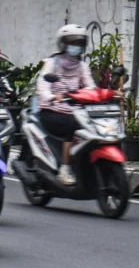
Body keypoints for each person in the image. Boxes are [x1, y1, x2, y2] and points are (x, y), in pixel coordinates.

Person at [35, 24, 116, 186]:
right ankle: (65, 169)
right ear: (63, 44)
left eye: (79, 43)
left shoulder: (82, 66)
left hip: (75, 109)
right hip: (51, 110)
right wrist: (52, 96)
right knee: (71, 126)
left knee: (96, 128)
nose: (76, 46)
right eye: (72, 42)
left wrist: (101, 94)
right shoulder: (53, 63)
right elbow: (42, 85)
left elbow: (90, 86)